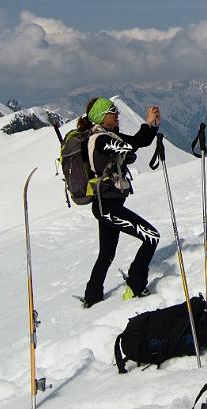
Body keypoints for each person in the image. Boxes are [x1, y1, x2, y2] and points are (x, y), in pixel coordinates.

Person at [80, 96, 162, 307]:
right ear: (101, 116)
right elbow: (130, 146)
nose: (117, 114)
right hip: (106, 206)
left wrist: (152, 126)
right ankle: (135, 286)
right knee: (151, 236)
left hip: (107, 205)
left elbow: (139, 141)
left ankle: (92, 297)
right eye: (112, 111)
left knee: (107, 254)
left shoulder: (108, 136)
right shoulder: (100, 140)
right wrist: (146, 124)